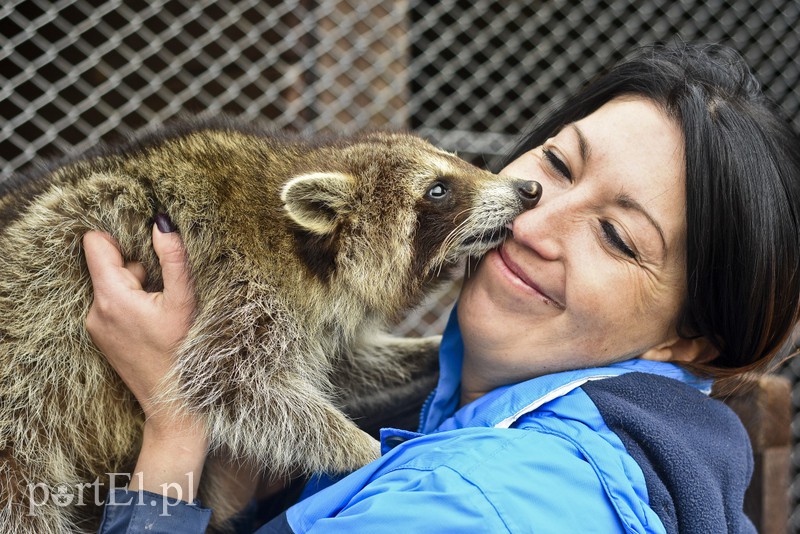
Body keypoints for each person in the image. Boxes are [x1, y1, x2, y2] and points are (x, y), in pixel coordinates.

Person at [86, 42, 800, 533]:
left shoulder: (475, 505)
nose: (531, 219)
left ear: (687, 339)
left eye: (616, 237)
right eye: (555, 161)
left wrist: (173, 435)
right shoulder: (642, 433)